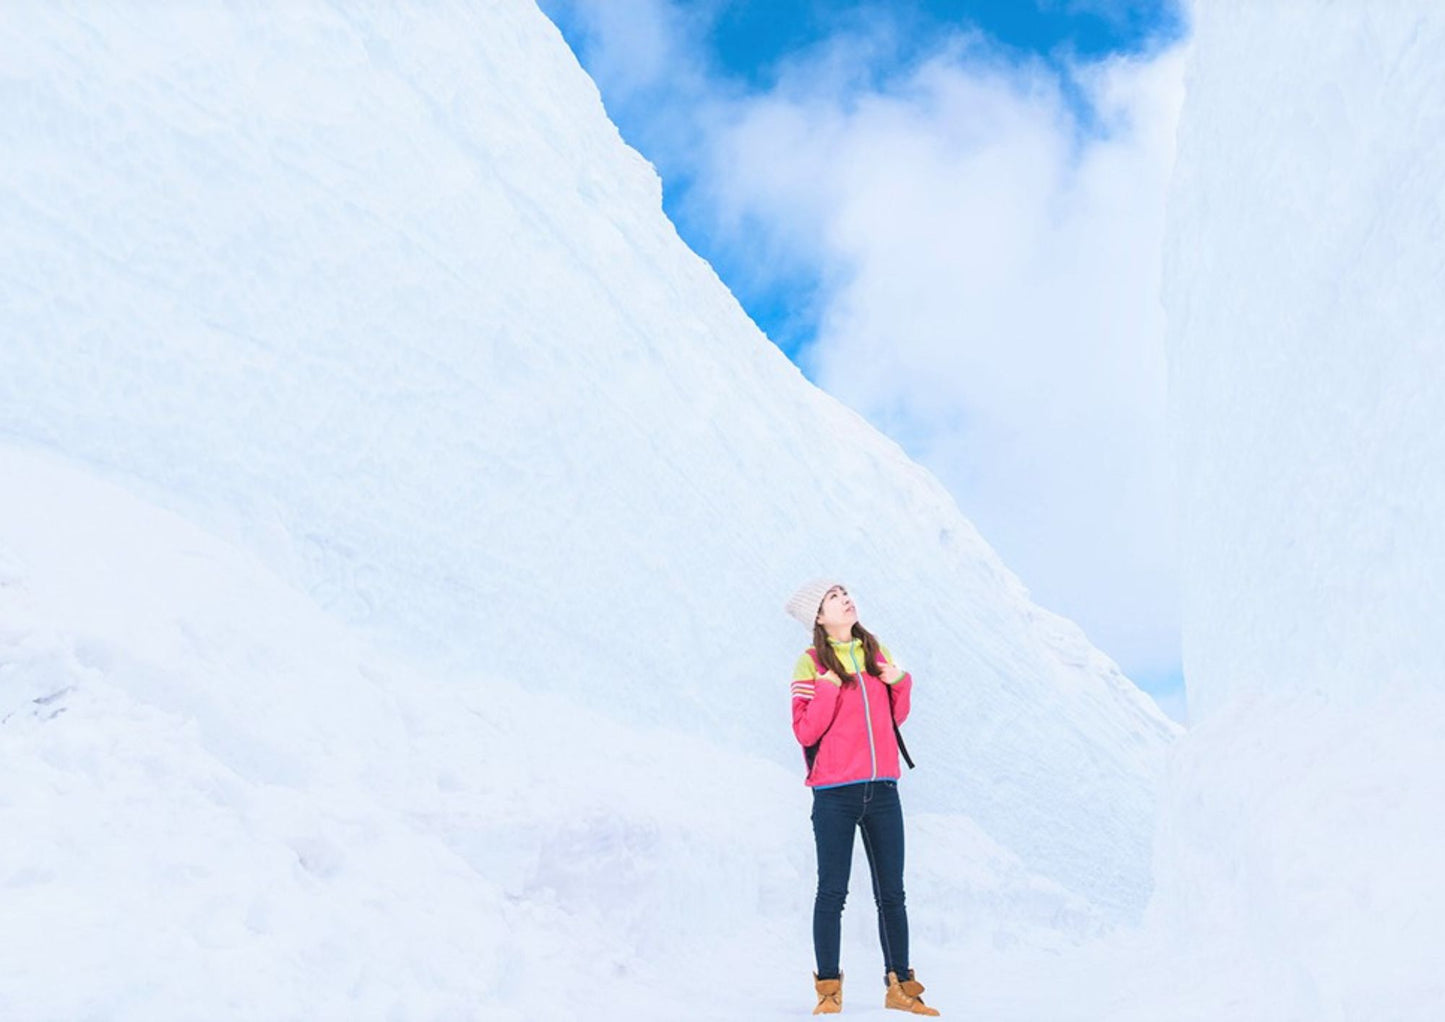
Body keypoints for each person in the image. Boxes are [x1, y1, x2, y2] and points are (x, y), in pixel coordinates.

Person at [785, 579, 941, 1016]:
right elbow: (805, 731)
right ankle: (829, 990)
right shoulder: (810, 663)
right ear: (818, 616)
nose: (845, 598)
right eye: (833, 597)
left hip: (884, 790)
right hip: (834, 793)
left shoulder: (875, 652)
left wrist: (900, 682)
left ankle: (901, 986)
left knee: (892, 893)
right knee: (832, 892)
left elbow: (896, 717)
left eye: (845, 592)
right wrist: (830, 687)